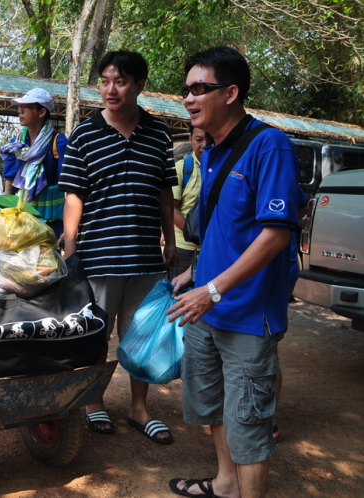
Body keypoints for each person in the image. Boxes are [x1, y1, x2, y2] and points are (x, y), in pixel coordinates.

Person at [168, 46, 301, 498]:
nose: (188, 98)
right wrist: (196, 274)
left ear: (231, 92)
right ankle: (225, 484)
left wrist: (212, 289)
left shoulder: (270, 145)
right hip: (208, 306)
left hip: (245, 313)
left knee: (248, 422)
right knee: (215, 409)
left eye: (199, 88)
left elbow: (275, 237)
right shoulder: (212, 153)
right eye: (185, 90)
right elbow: (223, 230)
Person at [58, 50, 178, 442]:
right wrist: (71, 249)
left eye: (121, 81)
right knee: (96, 333)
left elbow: (164, 193)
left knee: (142, 336)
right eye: (105, 80)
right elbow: (73, 196)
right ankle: (94, 402)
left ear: (140, 85)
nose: (111, 89)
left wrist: (171, 241)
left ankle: (139, 409)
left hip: (145, 257)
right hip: (99, 256)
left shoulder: (159, 134)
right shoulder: (84, 135)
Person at [1, 88, 68, 237]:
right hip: (22, 220)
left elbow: (69, 185)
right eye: (19, 107)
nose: (20, 111)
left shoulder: (59, 143)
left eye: (26, 107)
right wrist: (6, 210)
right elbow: (10, 178)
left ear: (42, 112)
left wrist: (69, 229)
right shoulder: (17, 142)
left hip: (51, 225)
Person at [172, 125, 212, 277]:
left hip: (211, 250)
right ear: (190, 139)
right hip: (183, 248)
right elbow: (172, 209)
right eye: (198, 140)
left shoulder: (222, 170)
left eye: (209, 140)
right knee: (178, 295)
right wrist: (196, 236)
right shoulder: (181, 168)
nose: (204, 145)